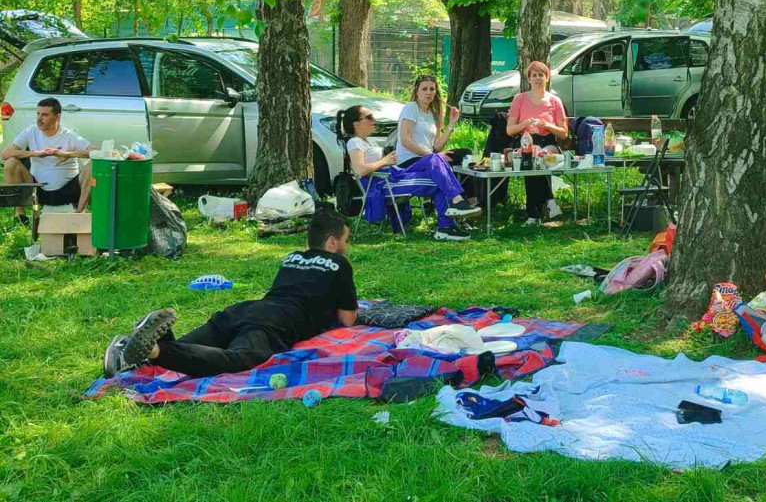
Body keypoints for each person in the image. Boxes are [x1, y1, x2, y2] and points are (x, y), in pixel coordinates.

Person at [102, 207, 359, 379]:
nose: (346, 246)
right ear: (332, 242)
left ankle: (130, 348)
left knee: (185, 348)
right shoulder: (340, 264)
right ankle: (154, 351)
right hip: (277, 323)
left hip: (244, 310)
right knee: (236, 360)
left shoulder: (292, 257)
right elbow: (347, 320)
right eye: (345, 240)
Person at [341, 104, 479, 241]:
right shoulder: (354, 142)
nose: (374, 120)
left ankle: (454, 207)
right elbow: (359, 170)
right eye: (369, 117)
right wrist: (384, 161)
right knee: (439, 181)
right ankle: (447, 224)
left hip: (394, 175)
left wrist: (388, 161)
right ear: (356, 124)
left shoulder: (367, 142)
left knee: (434, 158)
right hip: (384, 184)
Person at [2, 97, 97, 221]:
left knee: (94, 164)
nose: (39, 119)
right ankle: (20, 215)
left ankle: (79, 214)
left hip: (68, 190)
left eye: (45, 115)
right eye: (38, 114)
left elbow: (98, 152)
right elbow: (5, 154)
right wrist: (35, 153)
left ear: (57, 117)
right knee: (11, 163)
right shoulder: (30, 131)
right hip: (37, 190)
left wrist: (67, 154)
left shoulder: (68, 135)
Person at [507, 61, 569, 226]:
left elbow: (564, 132)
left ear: (547, 78)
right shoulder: (519, 99)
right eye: (534, 75)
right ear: (529, 79)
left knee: (540, 157)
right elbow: (510, 130)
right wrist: (524, 124)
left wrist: (547, 125)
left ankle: (533, 215)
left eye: (541, 75)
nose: (537, 78)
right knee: (531, 157)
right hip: (526, 140)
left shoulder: (555, 101)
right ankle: (549, 201)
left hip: (548, 141)